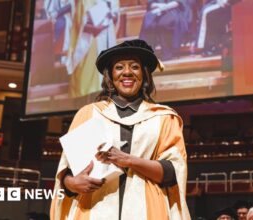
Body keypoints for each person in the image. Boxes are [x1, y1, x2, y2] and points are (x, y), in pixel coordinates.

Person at [50, 39, 191, 219]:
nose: (127, 72)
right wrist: (72, 184)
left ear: (144, 74)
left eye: (134, 67)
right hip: (93, 208)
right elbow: (67, 173)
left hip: (148, 211)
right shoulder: (89, 114)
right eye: (119, 67)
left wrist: (128, 160)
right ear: (110, 75)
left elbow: (173, 173)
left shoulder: (163, 117)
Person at [66, 0, 119, 97]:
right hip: (88, 43)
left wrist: (111, 17)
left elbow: (115, 16)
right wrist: (94, 29)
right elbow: (78, 25)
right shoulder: (84, 2)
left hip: (106, 40)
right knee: (85, 83)